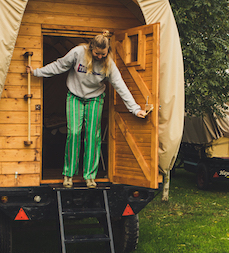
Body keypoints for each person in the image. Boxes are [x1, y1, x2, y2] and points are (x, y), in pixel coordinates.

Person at [27, 31, 147, 189]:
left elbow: (121, 86)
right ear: (91, 49)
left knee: (92, 136)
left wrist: (135, 109)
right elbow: (59, 65)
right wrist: (37, 72)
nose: (99, 57)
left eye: (103, 54)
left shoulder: (108, 63)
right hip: (75, 96)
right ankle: (68, 174)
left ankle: (90, 176)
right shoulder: (78, 52)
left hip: (95, 98)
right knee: (74, 133)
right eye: (97, 53)